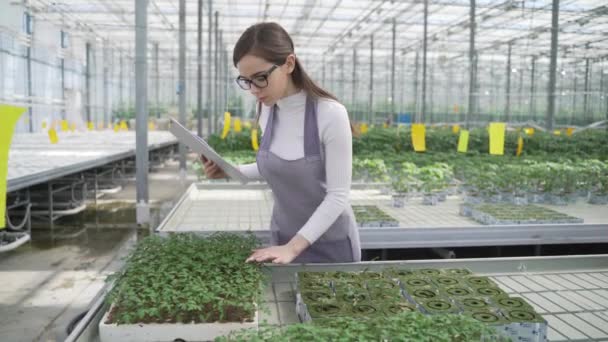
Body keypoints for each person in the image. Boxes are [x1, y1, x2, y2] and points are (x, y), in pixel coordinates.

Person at [203, 22, 361, 264]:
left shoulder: (330, 114)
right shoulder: (268, 110)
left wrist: (293, 248)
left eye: (260, 78)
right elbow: (277, 167)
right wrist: (228, 171)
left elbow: (338, 197)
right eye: (246, 81)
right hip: (282, 239)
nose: (254, 90)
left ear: (289, 63)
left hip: (330, 244)